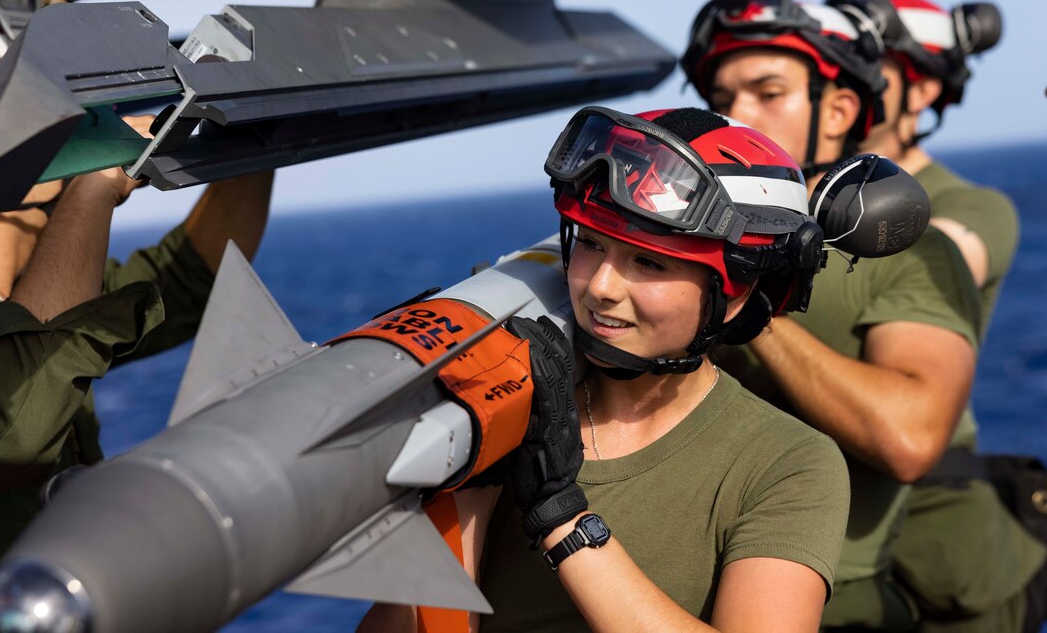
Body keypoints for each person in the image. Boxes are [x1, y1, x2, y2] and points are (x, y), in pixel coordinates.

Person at [362, 106, 852, 631]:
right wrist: (472, 469)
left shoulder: (789, 463)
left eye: (649, 262)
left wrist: (560, 514)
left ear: (736, 294)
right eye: (591, 244)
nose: (600, 288)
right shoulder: (518, 407)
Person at [681, 0, 982, 630]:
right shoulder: (679, 239)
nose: (736, 116)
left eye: (768, 93)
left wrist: (745, 302)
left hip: (830, 598)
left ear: (840, 108)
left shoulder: (912, 254)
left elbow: (911, 436)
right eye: (721, 99)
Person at [0, 112, 274, 620]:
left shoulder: (27, 289)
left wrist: (249, 127)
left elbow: (194, 278)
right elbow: (3, 433)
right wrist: (94, 187)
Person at [824, 0, 1046, 632]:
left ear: (921, 94)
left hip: (935, 562)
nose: (850, 83)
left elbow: (936, 258)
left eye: (871, 67)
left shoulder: (967, 207)